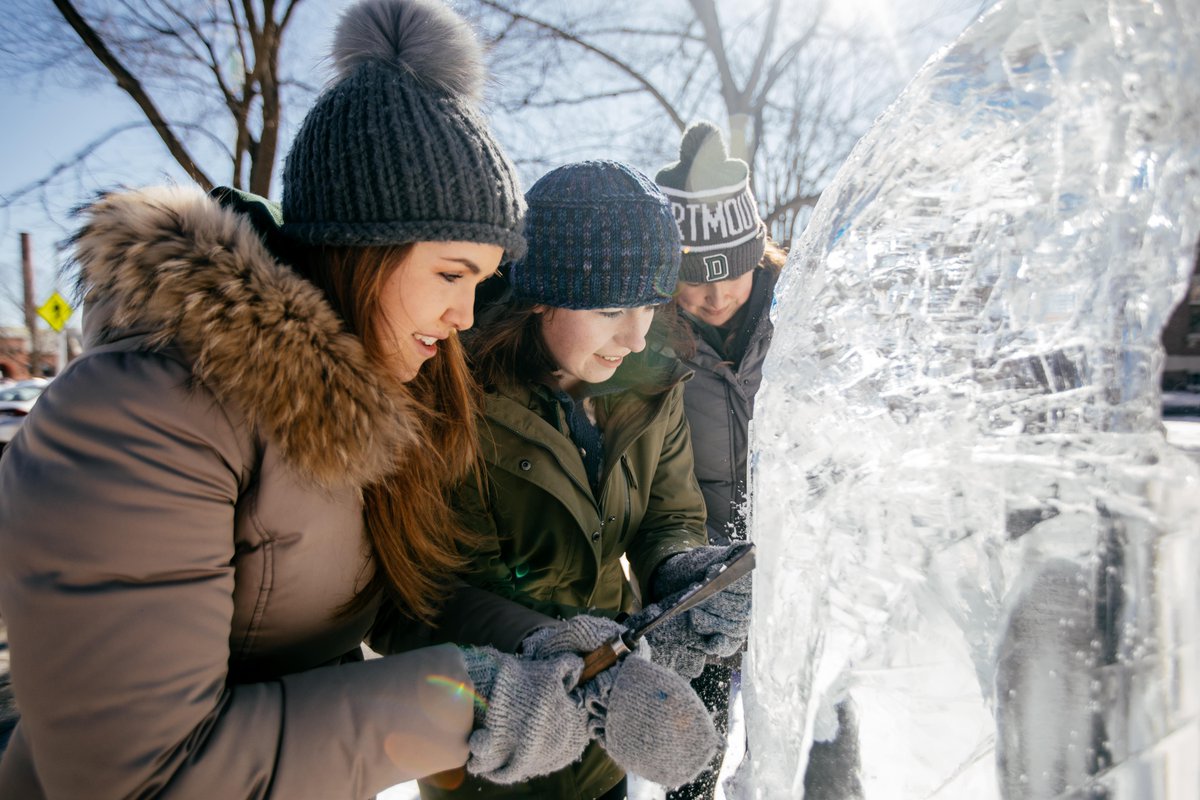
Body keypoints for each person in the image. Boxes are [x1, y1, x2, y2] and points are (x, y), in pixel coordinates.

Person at [0, 2, 713, 797]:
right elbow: (131, 776)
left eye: (482, 283)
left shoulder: (372, 405)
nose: (468, 316)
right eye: (450, 275)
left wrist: (557, 652)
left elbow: (405, 604)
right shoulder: (140, 419)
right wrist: (470, 708)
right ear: (360, 252)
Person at [418, 160, 753, 800]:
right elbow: (427, 595)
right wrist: (558, 650)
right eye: (609, 309)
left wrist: (681, 571)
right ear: (540, 297)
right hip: (486, 757)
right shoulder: (453, 398)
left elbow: (668, 517)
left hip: (603, 752)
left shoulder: (654, 384)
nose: (634, 336)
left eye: (650, 305)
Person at [653, 121, 862, 800]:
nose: (713, 296)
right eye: (693, 281)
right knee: (692, 756)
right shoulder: (654, 346)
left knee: (822, 747)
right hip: (707, 583)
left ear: (758, 253)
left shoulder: (805, 319)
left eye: (730, 274)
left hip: (800, 571)